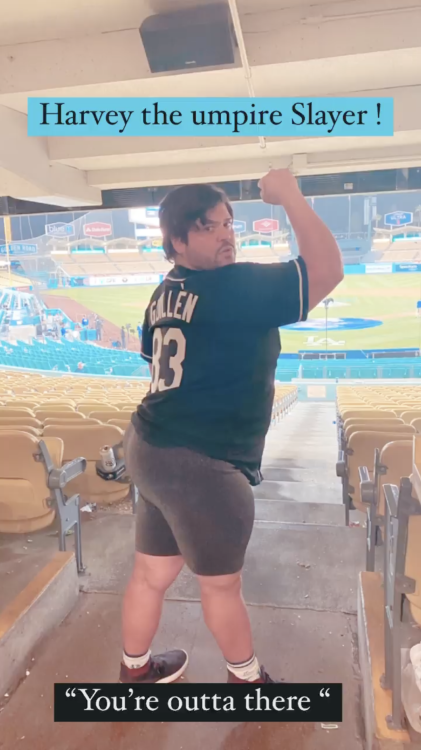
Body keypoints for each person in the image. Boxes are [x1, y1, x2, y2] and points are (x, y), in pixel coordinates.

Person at [120, 169, 343, 685]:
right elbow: (327, 269)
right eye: (208, 227)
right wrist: (289, 196)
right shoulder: (235, 285)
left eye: (228, 224)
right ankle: (247, 682)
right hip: (200, 463)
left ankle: (135, 671)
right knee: (221, 586)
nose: (226, 235)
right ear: (177, 239)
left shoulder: (162, 293)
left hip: (150, 446)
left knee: (151, 575)